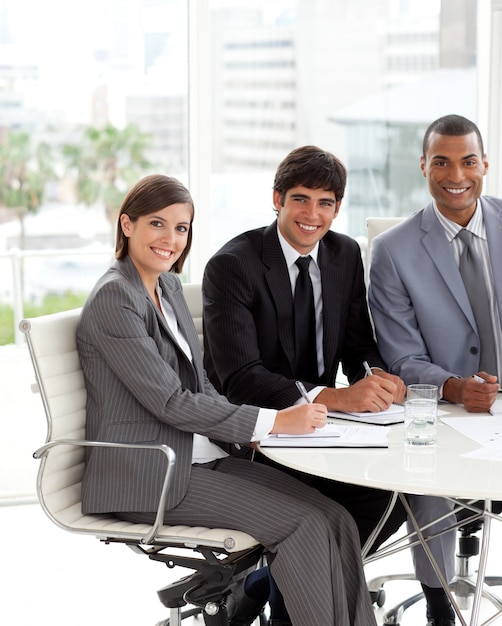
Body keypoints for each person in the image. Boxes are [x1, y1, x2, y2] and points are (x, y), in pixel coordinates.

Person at [76, 173, 380, 626]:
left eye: (182, 229)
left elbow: (201, 384)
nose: (171, 239)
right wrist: (272, 422)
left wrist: (249, 434)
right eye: (157, 224)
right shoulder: (115, 298)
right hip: (148, 473)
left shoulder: (167, 287)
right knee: (305, 524)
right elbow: (172, 403)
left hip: (196, 455)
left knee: (335, 517)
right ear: (126, 225)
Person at [202, 145, 457, 626]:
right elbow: (241, 380)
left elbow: (359, 344)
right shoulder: (232, 266)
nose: (312, 215)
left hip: (324, 427)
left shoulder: (343, 254)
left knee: (393, 487)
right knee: (332, 509)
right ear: (276, 199)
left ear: (338, 208)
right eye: (300, 199)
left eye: (325, 203)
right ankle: (286, 600)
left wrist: (379, 378)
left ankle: (268, 583)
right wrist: (334, 396)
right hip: (260, 431)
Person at [369, 113, 500, 411]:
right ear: (423, 165)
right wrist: (456, 388)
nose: (456, 176)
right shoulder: (391, 251)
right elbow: (403, 358)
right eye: (441, 162)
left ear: (485, 164)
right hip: (448, 412)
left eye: (468, 162)